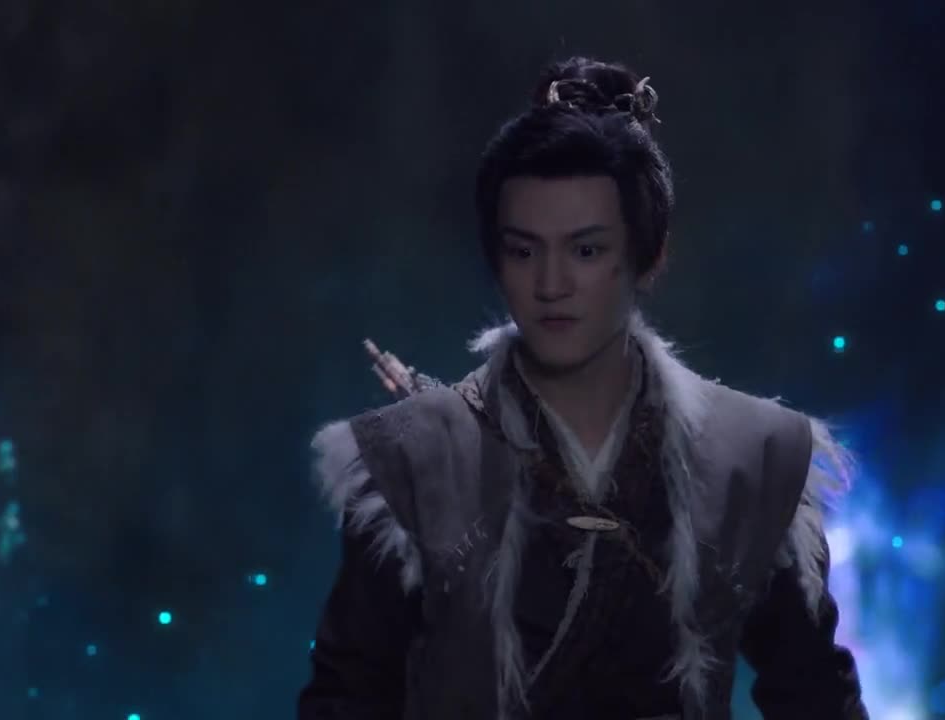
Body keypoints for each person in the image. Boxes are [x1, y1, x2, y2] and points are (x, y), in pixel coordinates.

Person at [299, 56, 868, 720]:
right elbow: (347, 701)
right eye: (523, 251)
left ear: (647, 255)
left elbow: (817, 700)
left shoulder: (750, 458)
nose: (551, 284)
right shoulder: (411, 460)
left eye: (587, 250)